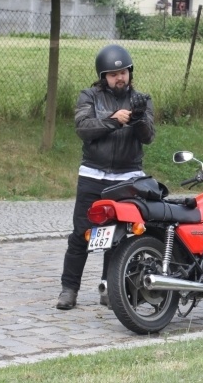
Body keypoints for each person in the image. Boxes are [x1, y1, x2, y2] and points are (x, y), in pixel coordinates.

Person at [56, 44, 155, 310]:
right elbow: (83, 128)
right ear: (103, 77)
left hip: (127, 177)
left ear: (130, 72)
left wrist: (139, 119)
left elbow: (149, 137)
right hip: (93, 175)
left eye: (123, 72)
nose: (119, 78)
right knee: (81, 233)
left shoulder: (142, 99)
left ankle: (110, 288)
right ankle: (69, 290)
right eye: (113, 74)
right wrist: (113, 120)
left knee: (118, 236)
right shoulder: (89, 96)